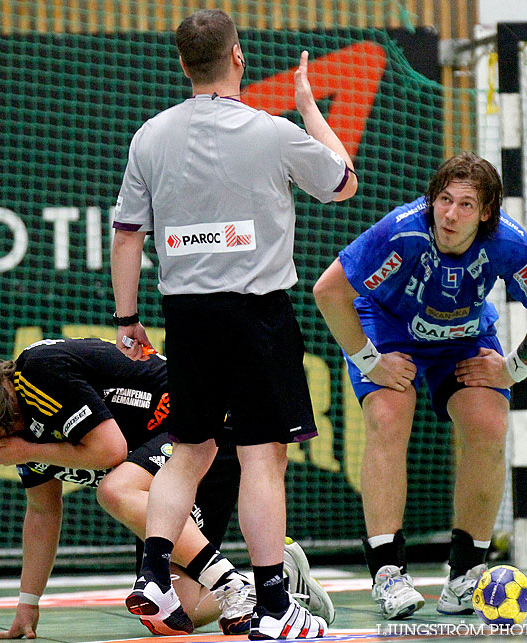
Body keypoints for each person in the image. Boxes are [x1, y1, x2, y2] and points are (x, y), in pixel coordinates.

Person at [110, 8, 356, 640]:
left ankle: (154, 578)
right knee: (261, 458)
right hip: (255, 317)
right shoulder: (271, 132)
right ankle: (275, 606)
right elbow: (343, 184)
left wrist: (128, 319)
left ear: (184, 63)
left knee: (188, 452)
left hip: (185, 317)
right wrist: (307, 106)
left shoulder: (149, 136)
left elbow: (127, 234)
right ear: (238, 57)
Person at [313, 152, 527, 619]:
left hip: (463, 336)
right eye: (444, 200)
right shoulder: (402, 231)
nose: (451, 214)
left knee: (490, 426)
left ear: (487, 212)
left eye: (466, 204)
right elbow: (328, 292)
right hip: (388, 327)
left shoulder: (508, 244)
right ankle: (388, 574)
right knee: (390, 416)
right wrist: (369, 360)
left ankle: (466, 575)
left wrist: (513, 368)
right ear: (432, 200)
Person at [0, 338, 254, 638]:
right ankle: (273, 578)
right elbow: (42, 512)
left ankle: (230, 584)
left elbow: (110, 451)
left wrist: (27, 452)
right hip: (162, 456)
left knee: (114, 490)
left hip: (199, 425)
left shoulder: (37, 373)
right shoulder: (23, 430)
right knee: (181, 606)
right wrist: (27, 603)